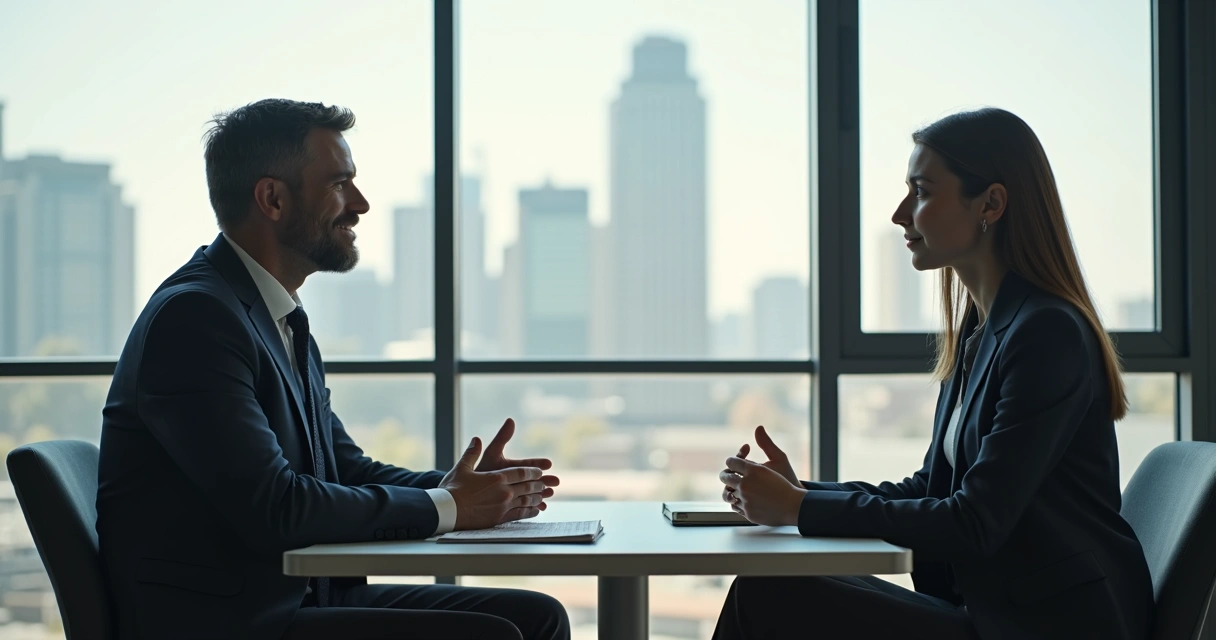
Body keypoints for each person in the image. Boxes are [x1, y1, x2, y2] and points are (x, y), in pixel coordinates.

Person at [96, 99, 570, 640]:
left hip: (296, 599)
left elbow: (339, 469)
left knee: (537, 617)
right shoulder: (197, 319)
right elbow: (276, 508)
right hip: (229, 621)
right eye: (339, 184)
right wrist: (449, 507)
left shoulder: (272, 313)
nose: (361, 204)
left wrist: (464, 490)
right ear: (272, 198)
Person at [713, 108, 1154, 640]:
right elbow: (931, 487)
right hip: (993, 609)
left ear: (990, 203)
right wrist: (801, 492)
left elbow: (973, 521)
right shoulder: (981, 329)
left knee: (770, 594)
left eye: (920, 191)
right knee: (763, 586)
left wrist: (800, 508)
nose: (900, 214)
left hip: (1045, 624)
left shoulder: (1046, 334)